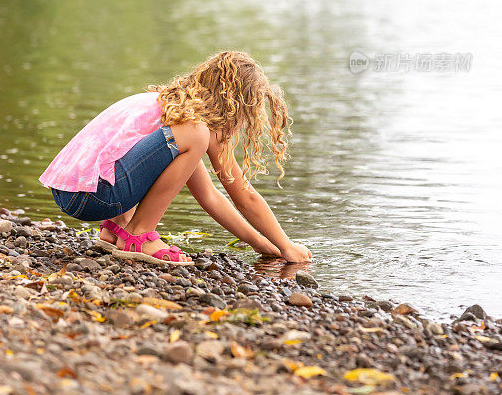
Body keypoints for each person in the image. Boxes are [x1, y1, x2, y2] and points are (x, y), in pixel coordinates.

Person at [39, 50, 312, 267]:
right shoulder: (192, 129)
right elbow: (245, 196)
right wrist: (287, 247)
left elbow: (209, 197)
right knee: (197, 134)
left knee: (191, 136)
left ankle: (118, 229)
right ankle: (139, 234)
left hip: (70, 193)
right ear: (234, 106)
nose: (242, 123)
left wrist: (264, 246)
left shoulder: (168, 109)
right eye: (247, 114)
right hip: (95, 197)